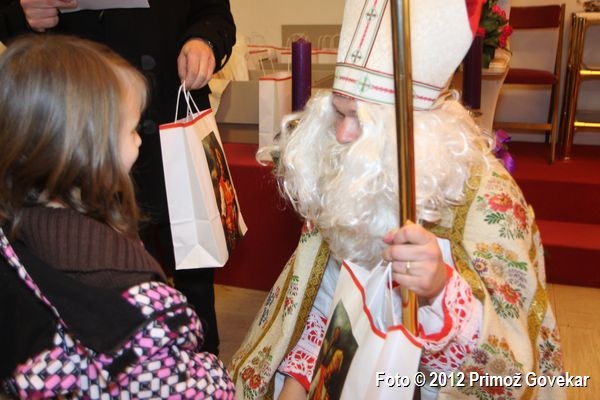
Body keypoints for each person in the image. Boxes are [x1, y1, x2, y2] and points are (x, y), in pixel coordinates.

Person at [229, 0, 566, 399]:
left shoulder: (486, 198)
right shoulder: (348, 174)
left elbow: (513, 371)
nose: (342, 136)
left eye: (360, 118)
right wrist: (296, 384)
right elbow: (322, 303)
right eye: (339, 113)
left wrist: (440, 293)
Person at [0, 34, 235, 398]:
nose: (140, 140)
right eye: (131, 129)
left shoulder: (16, 242)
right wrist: (216, 375)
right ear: (89, 149)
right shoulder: (137, 307)